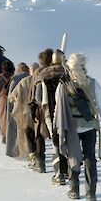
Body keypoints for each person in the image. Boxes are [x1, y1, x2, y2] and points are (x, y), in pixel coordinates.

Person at [54, 53, 101, 201]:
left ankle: (74, 190)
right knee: (90, 158)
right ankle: (91, 194)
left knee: (73, 157)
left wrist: (57, 130)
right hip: (89, 127)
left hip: (71, 128)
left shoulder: (63, 86)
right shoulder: (94, 84)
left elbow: (58, 109)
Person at [32, 49, 69, 183]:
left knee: (56, 142)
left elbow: (37, 98)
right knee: (66, 142)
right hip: (67, 113)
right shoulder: (68, 74)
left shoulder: (42, 75)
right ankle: (67, 170)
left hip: (49, 112)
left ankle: (59, 174)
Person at [8, 62, 40, 166]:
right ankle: (40, 158)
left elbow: (12, 96)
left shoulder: (24, 81)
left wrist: (17, 100)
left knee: (28, 135)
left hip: (26, 112)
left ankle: (32, 157)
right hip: (40, 113)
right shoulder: (41, 81)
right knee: (39, 136)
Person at [6, 63, 30, 157]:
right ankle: (28, 151)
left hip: (17, 107)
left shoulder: (15, 79)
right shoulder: (32, 77)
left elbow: (10, 97)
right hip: (29, 108)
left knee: (15, 130)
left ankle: (14, 151)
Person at [0, 60, 15, 144]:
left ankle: (4, 136)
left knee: (3, 117)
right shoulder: (14, 77)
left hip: (2, 99)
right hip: (13, 99)